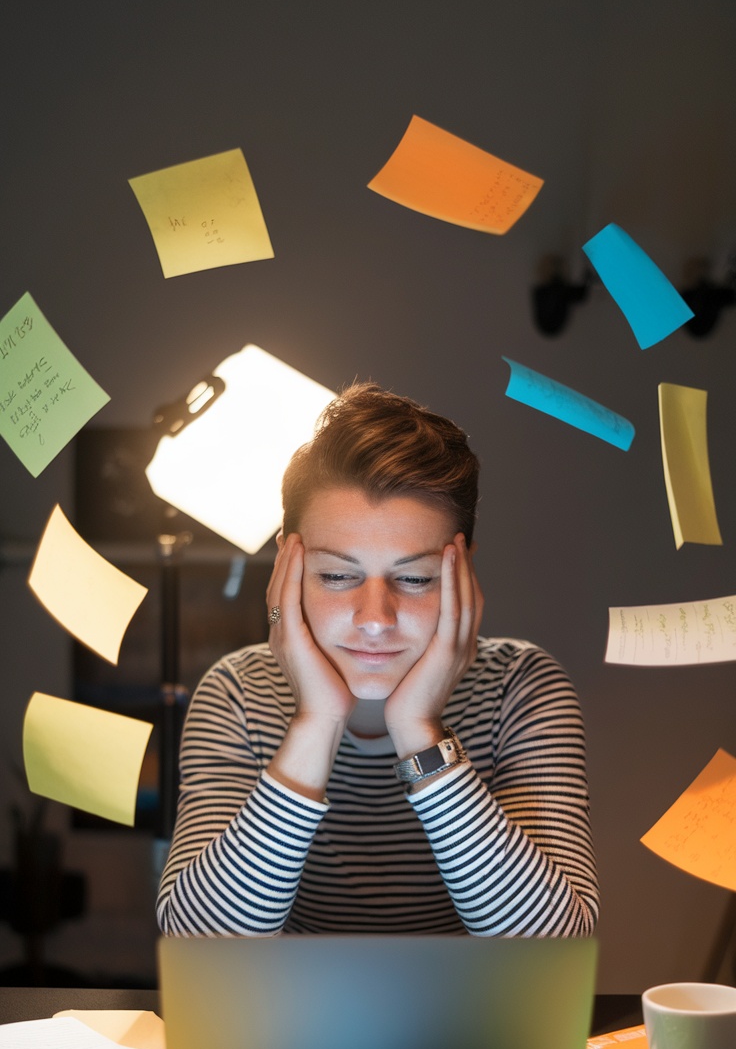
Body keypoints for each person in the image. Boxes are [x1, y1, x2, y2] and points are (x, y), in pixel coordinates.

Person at [157, 384, 598, 938]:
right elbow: (203, 943)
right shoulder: (236, 693)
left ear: (462, 575)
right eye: (338, 576)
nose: (374, 618)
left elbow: (552, 944)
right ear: (287, 570)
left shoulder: (523, 688)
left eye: (414, 578)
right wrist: (316, 721)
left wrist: (418, 728)